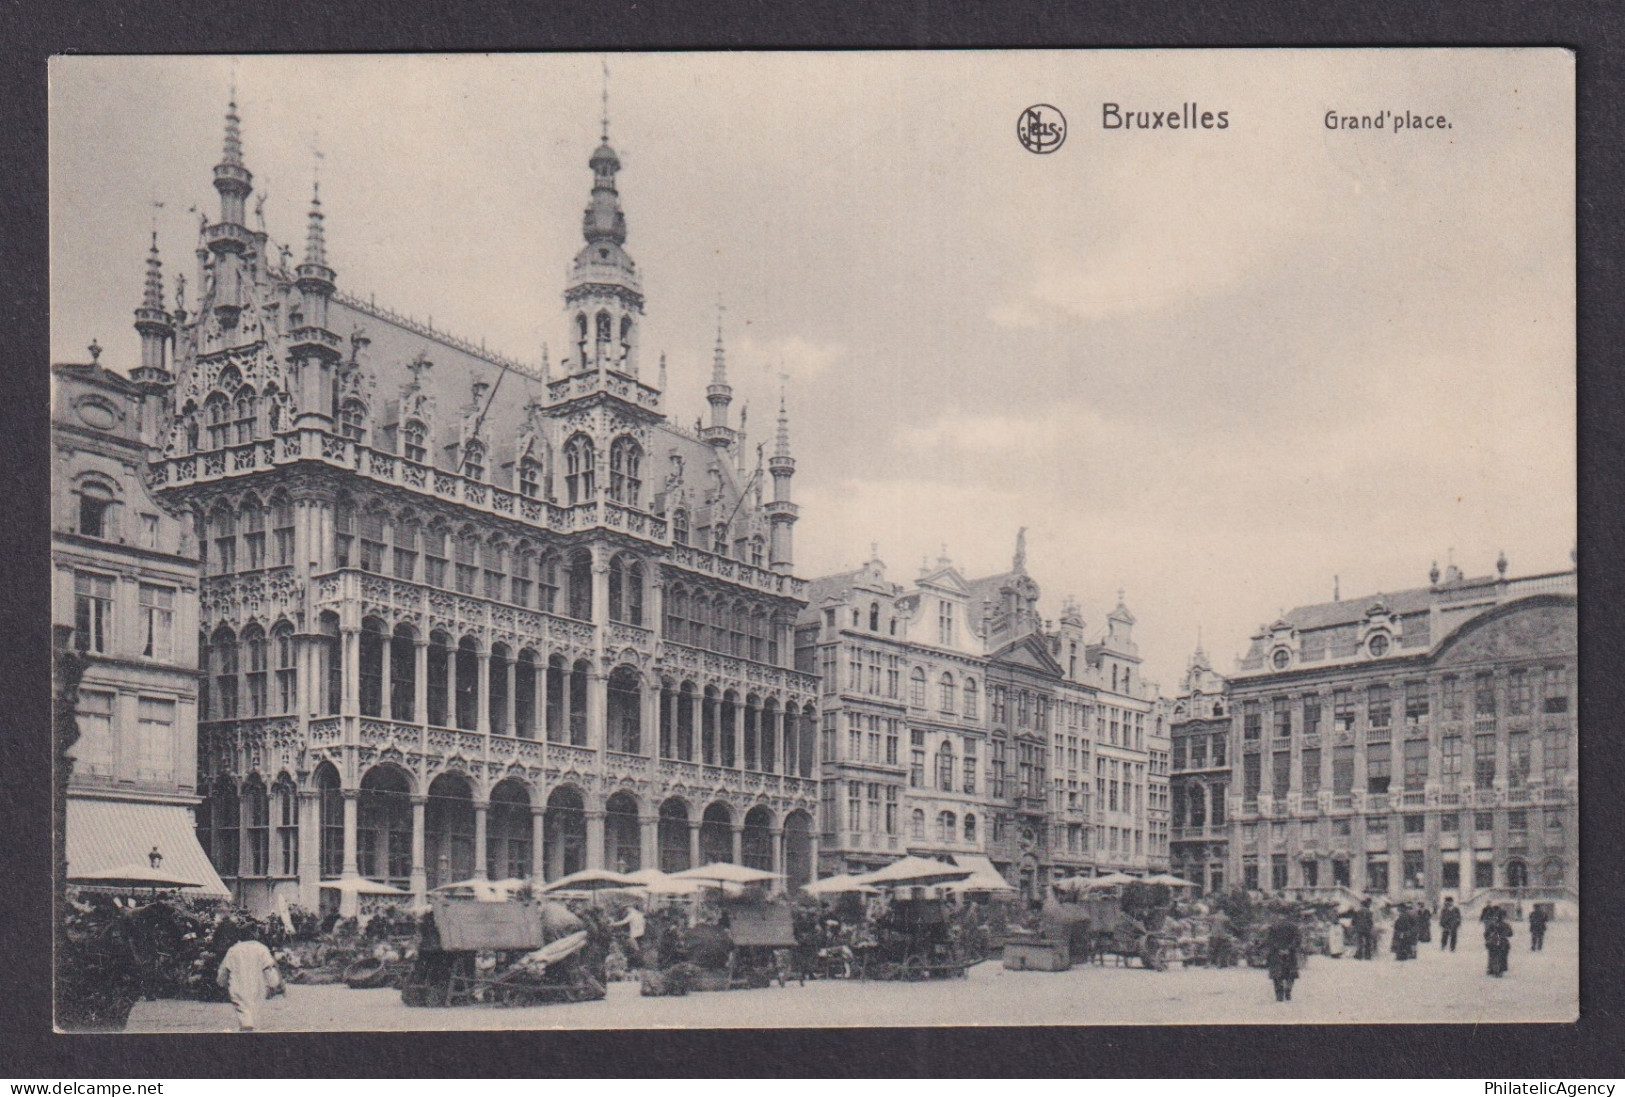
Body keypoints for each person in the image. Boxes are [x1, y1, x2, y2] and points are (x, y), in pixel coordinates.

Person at [216, 927, 282, 1031]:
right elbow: (268, 968)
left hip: (238, 987)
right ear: (254, 933)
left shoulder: (234, 950)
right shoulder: (262, 949)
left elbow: (225, 970)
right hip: (257, 987)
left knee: (244, 1016)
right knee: (254, 1015)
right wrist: (274, 983)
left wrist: (221, 982)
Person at [1264, 914, 1302, 1002]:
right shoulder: (1293, 927)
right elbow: (1298, 939)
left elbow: (1269, 940)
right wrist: (1290, 948)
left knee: (1277, 974)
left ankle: (1279, 993)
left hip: (1276, 954)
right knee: (1291, 973)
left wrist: (1277, 948)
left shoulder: (1273, 927)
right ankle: (1288, 988)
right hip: (1290, 954)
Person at [1484, 906, 1514, 977]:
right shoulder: (1505, 925)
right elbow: (1510, 934)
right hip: (1503, 943)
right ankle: (1500, 969)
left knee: (1492, 956)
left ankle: (1491, 968)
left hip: (1492, 942)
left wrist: (1488, 939)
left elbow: (1486, 934)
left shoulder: (1492, 925)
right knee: (1502, 956)